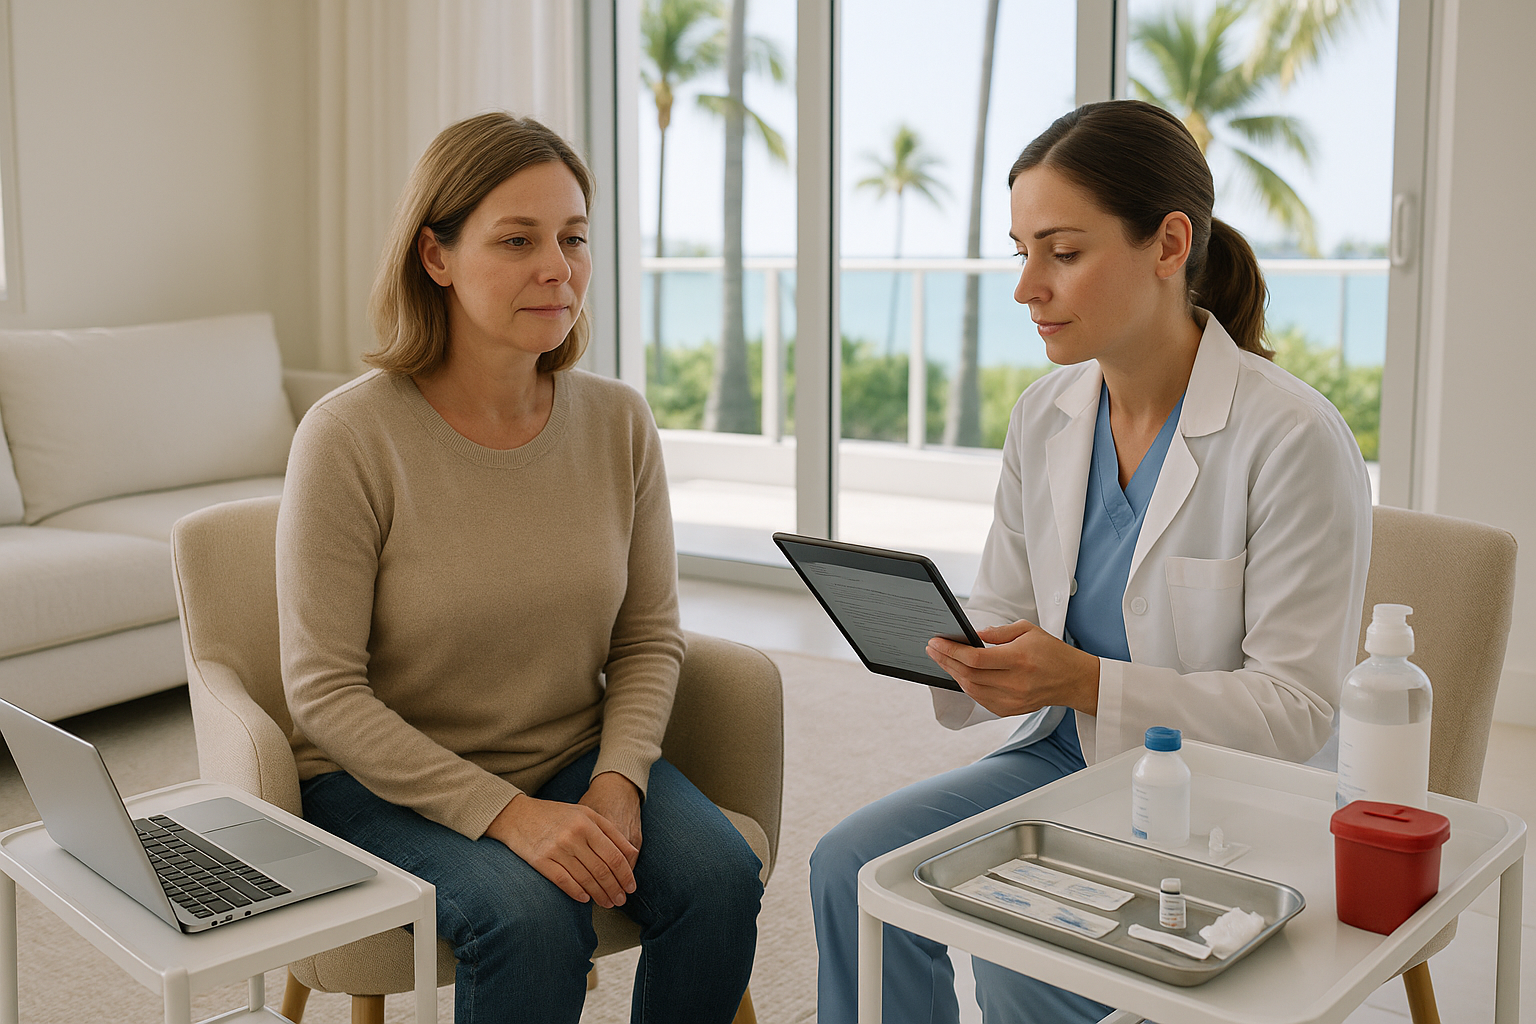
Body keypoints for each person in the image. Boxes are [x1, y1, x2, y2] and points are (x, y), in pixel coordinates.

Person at [809, 99, 1371, 1024]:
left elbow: (1298, 711)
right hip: (1067, 765)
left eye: (1063, 253)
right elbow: (1005, 599)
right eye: (1022, 250)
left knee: (1026, 950)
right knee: (856, 868)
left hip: (1221, 804)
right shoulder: (1048, 411)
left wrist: (1090, 680)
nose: (1028, 286)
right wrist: (972, 657)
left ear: (1168, 244)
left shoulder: (1292, 437)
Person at [276, 112, 763, 1024]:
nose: (560, 267)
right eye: (517, 239)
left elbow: (650, 636)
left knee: (719, 878)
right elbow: (324, 693)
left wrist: (619, 776)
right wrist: (506, 814)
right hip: (385, 782)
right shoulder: (349, 437)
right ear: (436, 257)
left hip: (569, 754)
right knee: (531, 919)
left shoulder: (618, 422)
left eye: (574, 238)